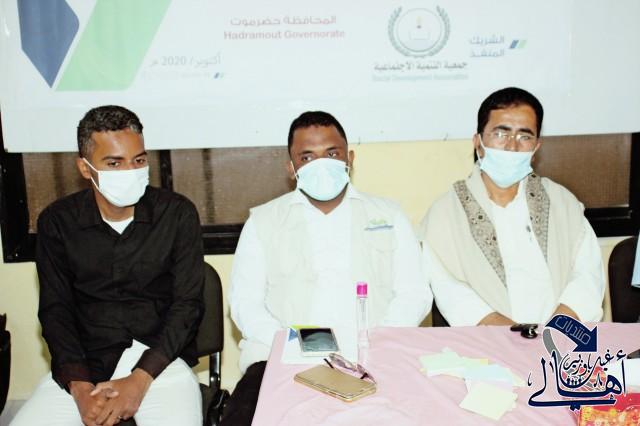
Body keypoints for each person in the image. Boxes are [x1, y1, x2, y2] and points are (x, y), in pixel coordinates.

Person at [224, 111, 432, 425]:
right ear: (291, 168)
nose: (321, 165)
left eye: (332, 154)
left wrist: (373, 341)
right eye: (307, 157)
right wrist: (297, 345)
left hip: (376, 353)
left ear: (350, 158)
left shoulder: (389, 215)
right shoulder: (263, 221)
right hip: (277, 357)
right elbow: (244, 304)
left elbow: (414, 294)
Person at [11, 106, 204, 426]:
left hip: (159, 364)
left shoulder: (177, 214)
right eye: (114, 163)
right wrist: (80, 389)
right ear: (85, 168)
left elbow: (188, 306)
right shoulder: (58, 222)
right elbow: (56, 310)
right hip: (84, 364)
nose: (130, 171)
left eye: (138, 160)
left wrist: (139, 380)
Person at [419, 87, 605, 327]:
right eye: (501, 134)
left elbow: (587, 275)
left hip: (560, 335)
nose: (512, 147)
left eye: (524, 137)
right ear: (478, 142)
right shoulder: (445, 213)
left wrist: (556, 329)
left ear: (536, 147)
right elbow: (449, 289)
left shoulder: (563, 203)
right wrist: (513, 335)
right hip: (489, 339)